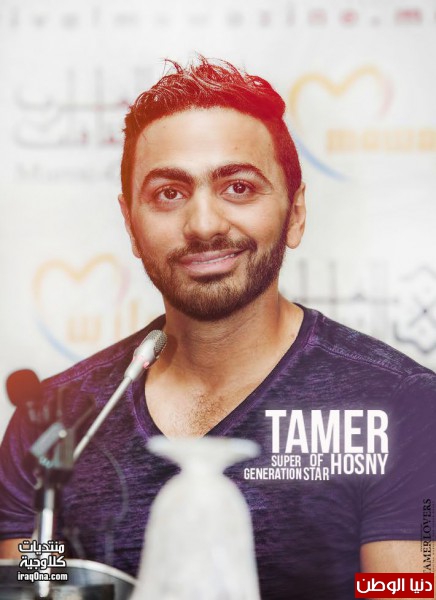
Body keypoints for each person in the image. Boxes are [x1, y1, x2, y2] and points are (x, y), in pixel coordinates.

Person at [0, 57, 435, 599]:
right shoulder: (54, 427)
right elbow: (36, 589)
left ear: (296, 213)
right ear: (131, 226)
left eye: (239, 187)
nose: (203, 225)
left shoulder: (400, 406)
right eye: (169, 193)